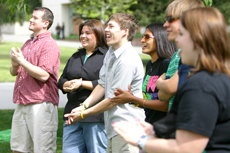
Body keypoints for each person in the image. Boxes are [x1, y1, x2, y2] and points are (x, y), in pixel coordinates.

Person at [112, 7, 230, 153]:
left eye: (181, 34)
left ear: (197, 38)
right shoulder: (219, 76)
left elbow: (188, 148)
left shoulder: (201, 85)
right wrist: (155, 130)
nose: (177, 41)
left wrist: (141, 140)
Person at [65, 13, 145, 153]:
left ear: (124, 31)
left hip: (127, 128)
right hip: (113, 127)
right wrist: (84, 106)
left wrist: (83, 114)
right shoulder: (111, 53)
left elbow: (114, 100)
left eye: (111, 26)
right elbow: (102, 84)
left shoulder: (127, 60)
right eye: (107, 25)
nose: (106, 29)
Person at [9, 7, 60, 153]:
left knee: (42, 149)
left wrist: (22, 61)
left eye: (35, 18)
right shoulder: (27, 43)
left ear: (45, 23)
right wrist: (15, 64)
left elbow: (44, 75)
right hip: (22, 102)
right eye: (32, 17)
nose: (31, 20)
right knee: (18, 149)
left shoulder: (49, 45)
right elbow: (14, 73)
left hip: (41, 104)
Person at [110, 23, 177, 124]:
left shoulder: (166, 64)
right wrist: (132, 99)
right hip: (150, 125)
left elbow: (166, 105)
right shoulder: (150, 64)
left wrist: (133, 99)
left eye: (147, 37)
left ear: (160, 38)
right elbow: (150, 101)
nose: (142, 40)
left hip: (165, 128)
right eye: (142, 37)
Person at [58, 19, 108, 153]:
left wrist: (81, 84)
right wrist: (67, 84)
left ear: (98, 34)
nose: (83, 36)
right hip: (71, 113)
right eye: (81, 33)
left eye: (88, 33)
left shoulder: (106, 57)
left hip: (94, 117)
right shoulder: (76, 56)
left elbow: (106, 84)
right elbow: (61, 79)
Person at [155, 0, 205, 111]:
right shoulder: (180, 54)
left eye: (170, 19)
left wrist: (159, 82)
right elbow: (162, 95)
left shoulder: (190, 54)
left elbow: (169, 89)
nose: (165, 25)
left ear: (188, 19)